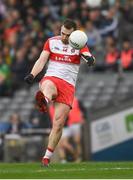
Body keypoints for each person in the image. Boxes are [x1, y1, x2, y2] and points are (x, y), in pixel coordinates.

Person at [24, 19, 95, 167]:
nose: (64, 37)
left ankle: (46, 158)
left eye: (67, 35)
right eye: (62, 33)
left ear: (73, 34)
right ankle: (44, 100)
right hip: (52, 77)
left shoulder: (79, 44)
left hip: (68, 86)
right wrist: (32, 74)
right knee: (48, 86)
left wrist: (90, 60)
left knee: (58, 124)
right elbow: (41, 60)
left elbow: (89, 57)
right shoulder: (51, 42)